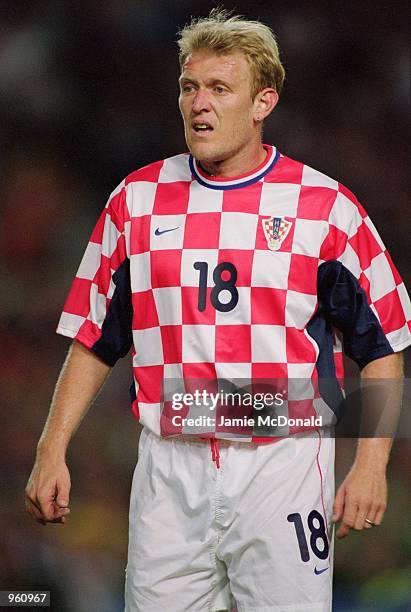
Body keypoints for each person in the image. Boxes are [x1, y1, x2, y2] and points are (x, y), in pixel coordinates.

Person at [25, 9, 410, 611]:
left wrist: (369, 464)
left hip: (282, 466)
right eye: (188, 86)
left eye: (219, 88)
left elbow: (383, 348)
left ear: (263, 102)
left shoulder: (325, 207)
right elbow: (94, 338)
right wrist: (52, 450)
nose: (198, 103)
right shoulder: (136, 201)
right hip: (168, 469)